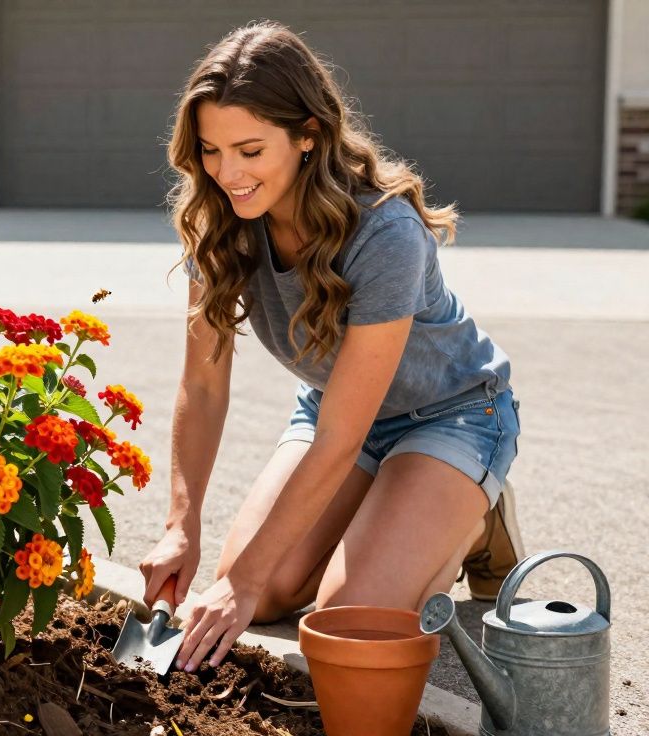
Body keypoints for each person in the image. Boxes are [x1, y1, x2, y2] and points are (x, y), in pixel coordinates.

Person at [138, 21, 524, 674]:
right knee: (261, 593)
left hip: (452, 413)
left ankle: (473, 521)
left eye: (250, 150)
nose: (228, 173)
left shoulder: (386, 234)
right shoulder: (218, 224)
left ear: (308, 134)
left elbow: (343, 437)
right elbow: (202, 387)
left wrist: (242, 582)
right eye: (210, 150)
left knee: (346, 621)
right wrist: (182, 524)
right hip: (332, 410)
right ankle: (393, 514)